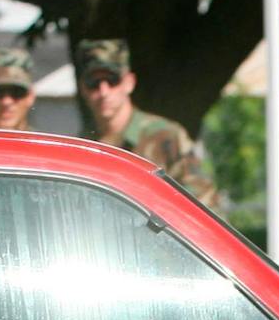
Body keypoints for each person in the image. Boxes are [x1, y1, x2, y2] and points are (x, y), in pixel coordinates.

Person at [73, 38, 220, 210]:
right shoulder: (82, 149)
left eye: (112, 80)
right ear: (82, 88)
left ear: (129, 83)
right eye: (93, 83)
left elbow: (205, 207)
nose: (103, 92)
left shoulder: (166, 137)